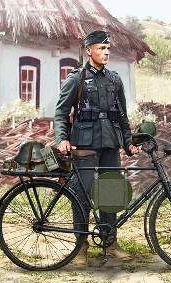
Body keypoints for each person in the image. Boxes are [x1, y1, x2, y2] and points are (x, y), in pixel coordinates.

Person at [54, 30, 140, 266]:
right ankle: (80, 247)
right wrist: (62, 138)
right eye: (101, 48)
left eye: (108, 48)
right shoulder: (77, 79)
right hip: (84, 144)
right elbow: (61, 113)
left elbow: (122, 114)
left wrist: (128, 141)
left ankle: (110, 243)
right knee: (81, 193)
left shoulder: (115, 79)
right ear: (89, 50)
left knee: (111, 191)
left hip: (110, 143)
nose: (106, 52)